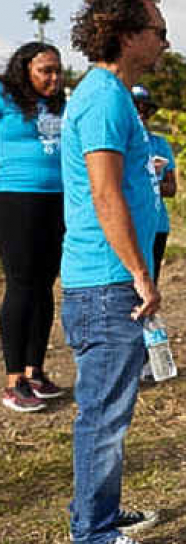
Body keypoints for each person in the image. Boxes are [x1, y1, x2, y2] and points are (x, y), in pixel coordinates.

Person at [61, 0, 168, 544]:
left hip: (106, 280)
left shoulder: (113, 94)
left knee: (110, 408)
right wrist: (138, 273)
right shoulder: (102, 97)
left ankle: (97, 510)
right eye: (157, 31)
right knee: (103, 412)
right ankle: (95, 537)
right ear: (127, 34)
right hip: (105, 282)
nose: (164, 42)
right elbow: (105, 194)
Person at [0, 42, 66, 412]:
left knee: (43, 286)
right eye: (45, 71)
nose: (54, 78)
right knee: (22, 283)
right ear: (24, 69)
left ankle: (35, 371)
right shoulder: (5, 98)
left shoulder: (60, 104)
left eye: (58, 71)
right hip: (14, 198)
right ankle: (14, 381)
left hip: (55, 200)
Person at [131, 85, 177, 282]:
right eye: (135, 107)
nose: (141, 113)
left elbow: (171, 188)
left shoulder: (159, 144)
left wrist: (149, 181)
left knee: (151, 279)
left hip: (157, 224)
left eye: (145, 109)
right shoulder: (117, 142)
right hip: (129, 223)